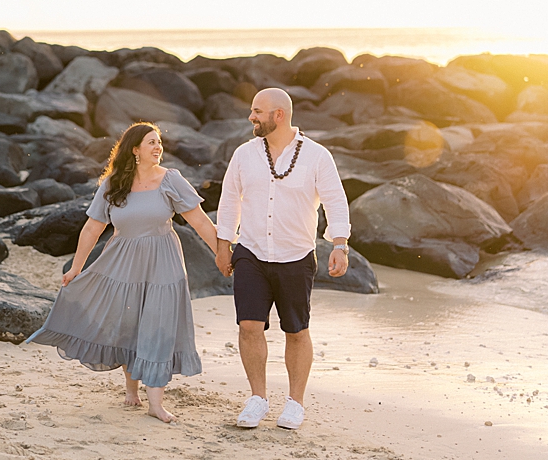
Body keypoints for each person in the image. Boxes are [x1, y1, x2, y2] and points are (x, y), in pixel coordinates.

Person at [28, 121, 221, 424]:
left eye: (159, 143)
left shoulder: (171, 180)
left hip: (163, 259)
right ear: (134, 150)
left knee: (159, 324)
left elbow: (199, 221)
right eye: (151, 143)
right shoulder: (113, 184)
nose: (158, 148)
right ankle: (131, 387)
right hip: (121, 260)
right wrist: (76, 268)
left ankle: (155, 402)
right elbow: (93, 227)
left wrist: (222, 254)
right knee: (128, 321)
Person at [215, 87, 351, 431]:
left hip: (296, 255)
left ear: (279, 115)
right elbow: (229, 200)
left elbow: (335, 200)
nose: (251, 117)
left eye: (257, 111)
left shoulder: (317, 156)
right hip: (252, 252)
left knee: (296, 330)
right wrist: (223, 245)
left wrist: (340, 244)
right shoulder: (244, 154)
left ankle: (295, 403)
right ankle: (257, 398)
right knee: (248, 326)